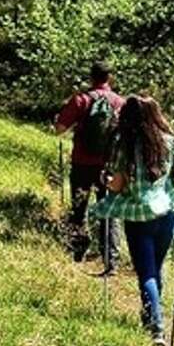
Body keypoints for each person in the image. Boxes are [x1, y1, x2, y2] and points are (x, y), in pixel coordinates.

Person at [92, 96, 174, 346]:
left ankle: (156, 325)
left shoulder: (125, 144)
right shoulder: (171, 142)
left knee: (145, 271)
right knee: (156, 267)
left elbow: (118, 183)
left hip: (137, 216)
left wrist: (105, 180)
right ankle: (150, 316)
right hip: (166, 213)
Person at [54, 60, 125, 271]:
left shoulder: (81, 100)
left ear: (91, 77)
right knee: (109, 210)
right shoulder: (120, 103)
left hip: (82, 163)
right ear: (109, 78)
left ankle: (77, 252)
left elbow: (59, 129)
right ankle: (111, 259)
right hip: (109, 166)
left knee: (79, 207)